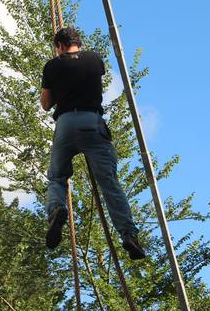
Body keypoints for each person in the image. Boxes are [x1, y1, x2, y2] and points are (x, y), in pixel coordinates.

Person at [40, 26, 146, 260]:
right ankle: (128, 234)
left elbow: (46, 104)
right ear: (79, 42)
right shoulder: (94, 59)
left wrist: (57, 82)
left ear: (58, 46)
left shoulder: (52, 66)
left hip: (66, 124)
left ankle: (56, 210)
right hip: (92, 122)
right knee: (109, 182)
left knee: (57, 177)